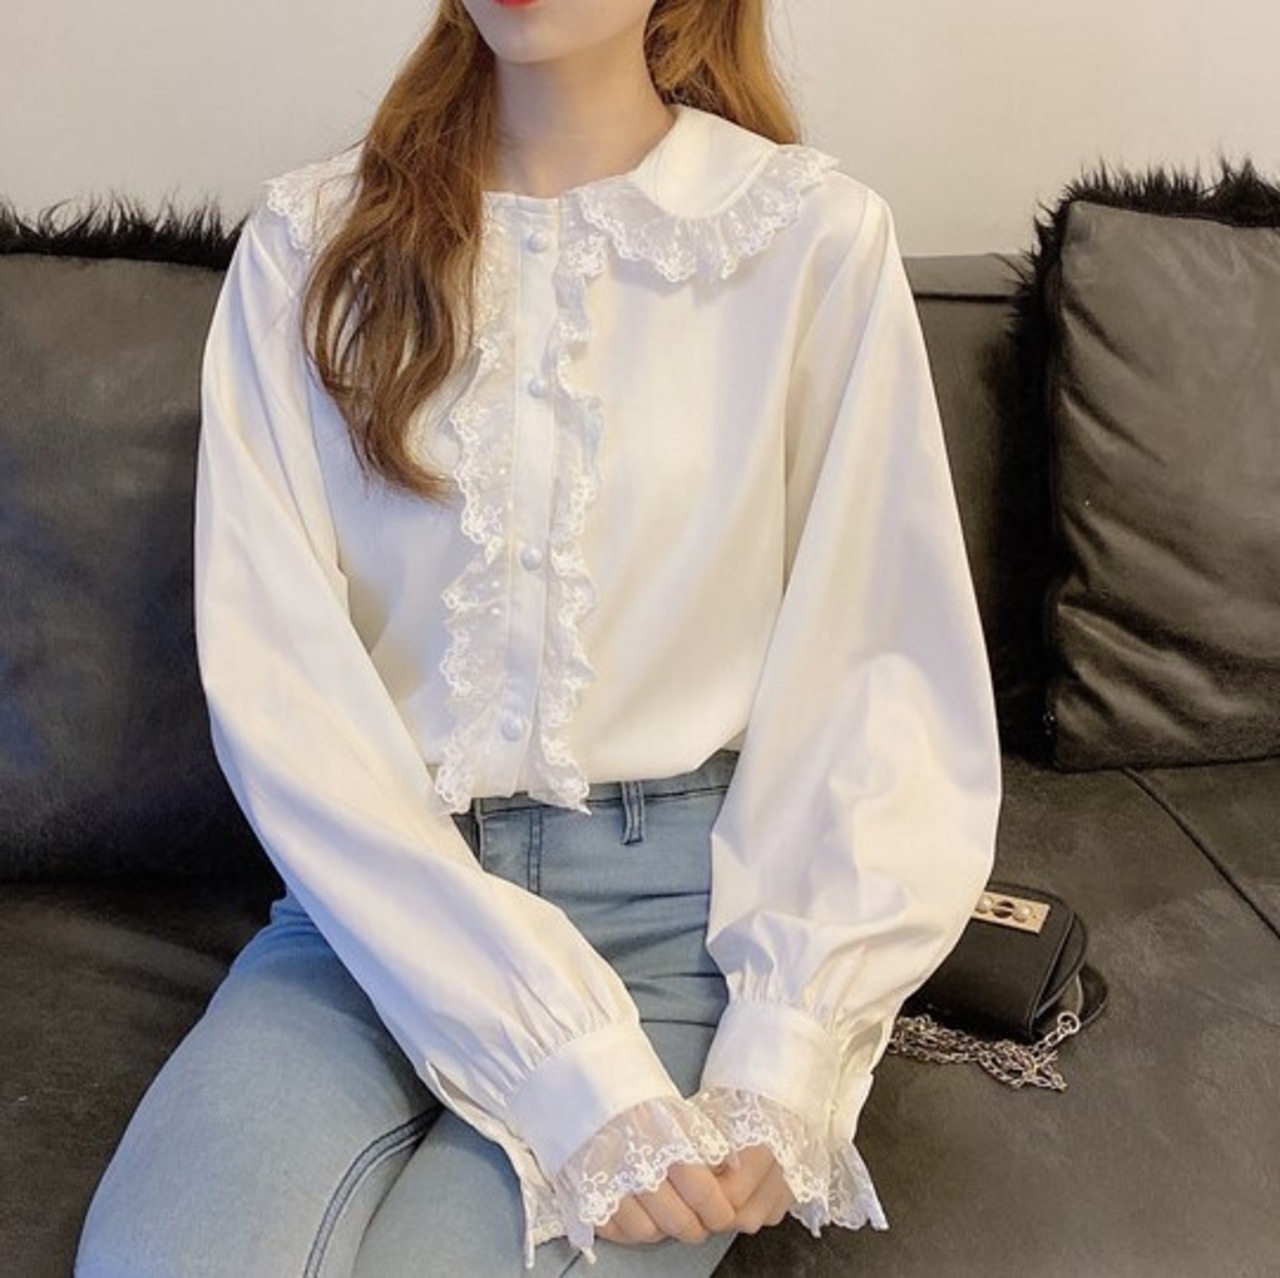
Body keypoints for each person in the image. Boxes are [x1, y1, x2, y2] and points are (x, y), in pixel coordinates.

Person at [76, 0, 1001, 1274]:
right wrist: (548, 1056)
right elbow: (277, 684)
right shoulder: (307, 244)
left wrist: (787, 1047)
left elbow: (876, 669)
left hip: (685, 926)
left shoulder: (806, 240)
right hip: (371, 913)